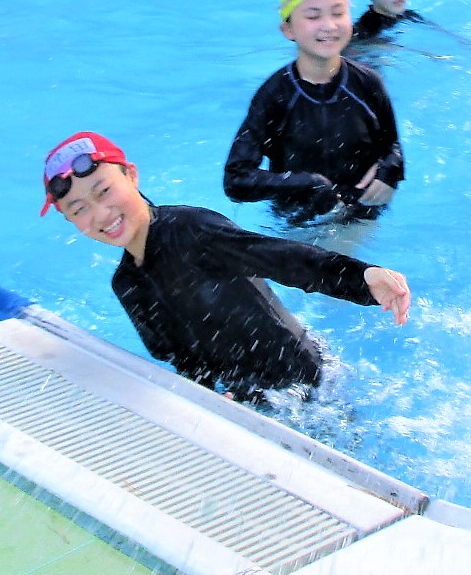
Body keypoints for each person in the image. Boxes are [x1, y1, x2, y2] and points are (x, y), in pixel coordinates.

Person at [41, 132, 410, 404]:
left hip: (306, 383)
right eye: (79, 209)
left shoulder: (190, 231)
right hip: (248, 400)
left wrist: (361, 278)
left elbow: (282, 259)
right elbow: (183, 361)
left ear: (131, 176)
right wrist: (209, 401)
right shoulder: (127, 285)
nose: (100, 213)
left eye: (103, 191)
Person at [225, 0, 405, 225]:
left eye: (338, 13)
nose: (329, 25)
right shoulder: (275, 96)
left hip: (362, 215)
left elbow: (391, 145)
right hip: (298, 223)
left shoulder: (368, 84)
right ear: (288, 30)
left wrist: (390, 172)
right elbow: (236, 180)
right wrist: (307, 184)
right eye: (313, 16)